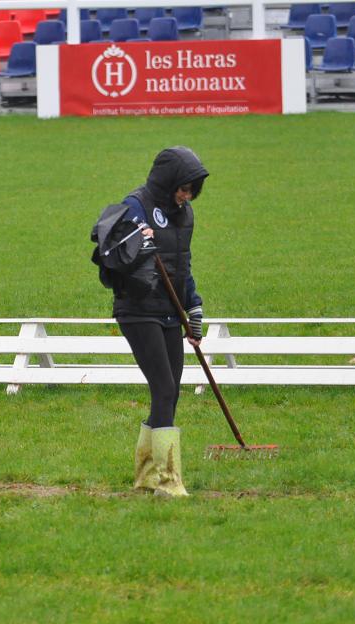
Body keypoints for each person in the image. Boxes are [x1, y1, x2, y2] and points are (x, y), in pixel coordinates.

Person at [104, 146, 209, 498]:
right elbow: (114, 251)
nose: (187, 195)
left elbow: (183, 263)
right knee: (164, 388)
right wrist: (138, 244)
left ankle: (147, 476)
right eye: (183, 187)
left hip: (170, 309)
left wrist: (193, 307)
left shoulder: (184, 214)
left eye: (193, 190)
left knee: (170, 391)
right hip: (137, 309)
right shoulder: (135, 205)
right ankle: (168, 481)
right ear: (167, 182)